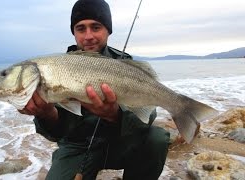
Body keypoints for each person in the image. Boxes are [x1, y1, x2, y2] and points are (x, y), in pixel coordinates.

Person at [20, 0, 170, 179]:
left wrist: (115, 115)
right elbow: (57, 134)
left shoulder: (126, 64)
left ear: (108, 30)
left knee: (157, 139)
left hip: (120, 142)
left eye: (96, 27)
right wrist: (47, 114)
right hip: (77, 146)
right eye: (81, 28)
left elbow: (147, 116)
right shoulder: (57, 69)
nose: (88, 36)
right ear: (74, 33)